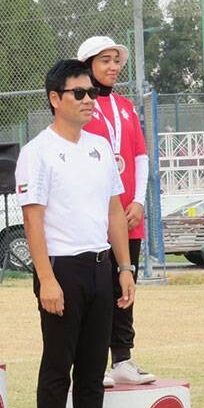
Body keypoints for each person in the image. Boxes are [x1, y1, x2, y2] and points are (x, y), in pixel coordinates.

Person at [16, 59, 135, 408]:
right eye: (79, 93)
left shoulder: (100, 147)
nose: (89, 100)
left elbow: (114, 211)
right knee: (57, 363)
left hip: (101, 267)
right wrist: (46, 279)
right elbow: (33, 220)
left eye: (93, 93)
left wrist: (124, 268)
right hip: (62, 269)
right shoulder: (38, 153)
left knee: (91, 367)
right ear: (55, 99)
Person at [77, 36, 156, 387]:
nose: (113, 67)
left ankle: (122, 359)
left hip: (127, 217)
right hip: (94, 218)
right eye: (105, 60)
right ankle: (92, 363)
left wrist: (137, 200)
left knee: (125, 289)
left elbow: (139, 155)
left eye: (116, 61)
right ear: (88, 65)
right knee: (97, 292)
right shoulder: (79, 105)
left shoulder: (125, 106)